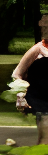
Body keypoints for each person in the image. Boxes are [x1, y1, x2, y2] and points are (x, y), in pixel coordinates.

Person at [12, 15, 48, 145]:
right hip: (40, 99)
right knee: (45, 137)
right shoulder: (38, 49)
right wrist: (20, 95)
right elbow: (17, 74)